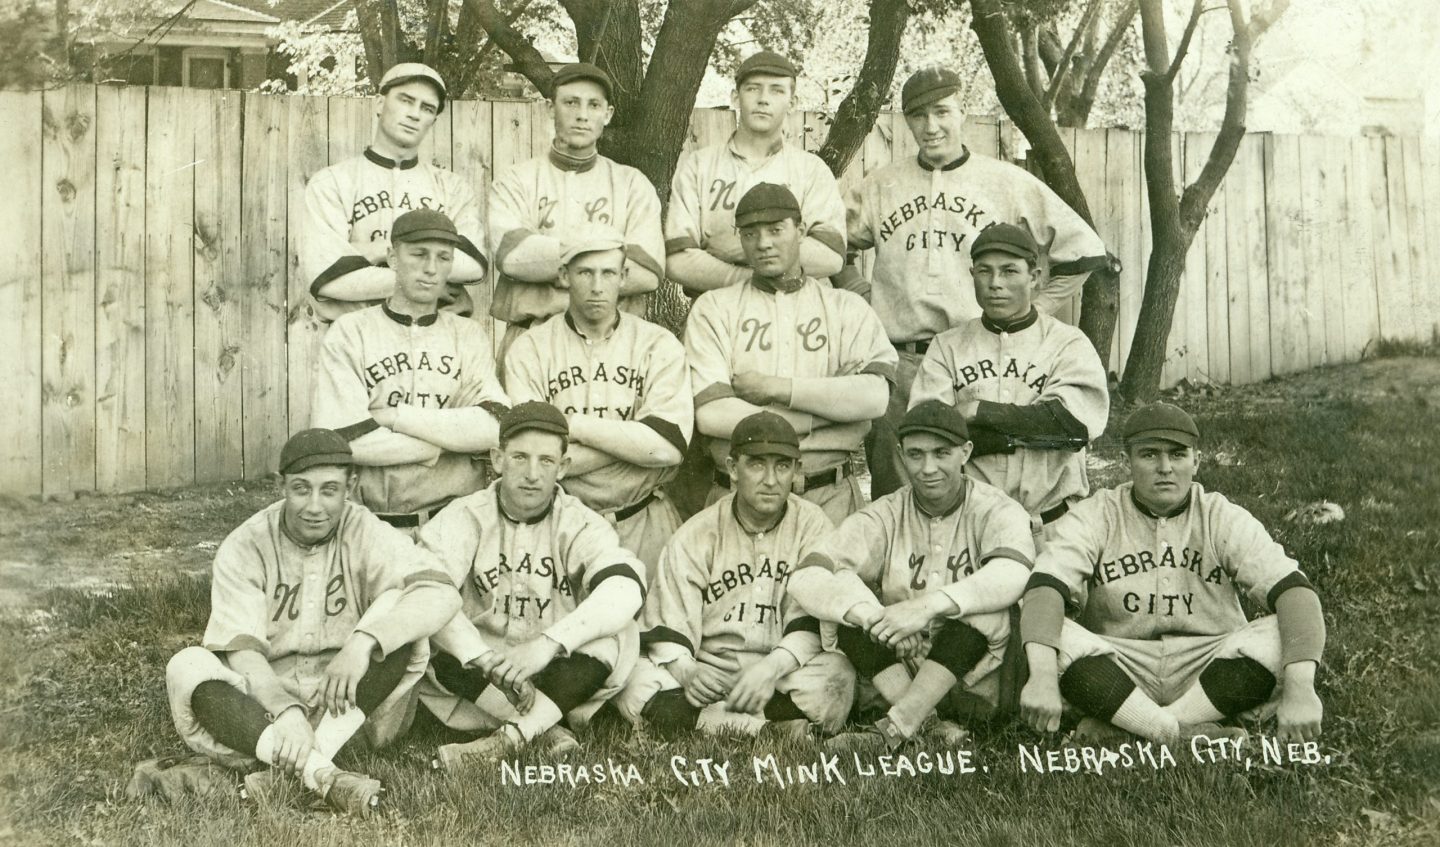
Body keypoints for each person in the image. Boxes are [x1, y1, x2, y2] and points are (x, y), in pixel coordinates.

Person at [840, 66, 1110, 499]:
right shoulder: (881, 184)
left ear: (963, 112)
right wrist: (858, 291)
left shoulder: (1004, 181)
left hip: (978, 357)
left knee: (975, 492)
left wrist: (1033, 313)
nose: (931, 126)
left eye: (942, 112)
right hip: (902, 359)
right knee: (897, 498)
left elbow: (1084, 251)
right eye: (918, 116)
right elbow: (830, 244)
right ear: (906, 121)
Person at [161, 429, 461, 815]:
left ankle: (295, 766)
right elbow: (243, 651)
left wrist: (361, 643)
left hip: (346, 704)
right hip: (265, 708)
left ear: (350, 486)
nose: (314, 505)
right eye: (301, 489)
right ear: (281, 485)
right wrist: (284, 711)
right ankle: (322, 771)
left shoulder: (365, 529)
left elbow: (442, 591)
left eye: (329, 490)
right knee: (187, 666)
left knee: (402, 627)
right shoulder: (247, 543)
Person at [1018, 403, 1326, 745]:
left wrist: (1301, 690)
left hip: (1209, 666)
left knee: (1279, 633)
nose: (1165, 468)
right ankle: (1183, 732)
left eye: (1177, 455)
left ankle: (1140, 728)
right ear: (1126, 462)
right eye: (1149, 455)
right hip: (1119, 664)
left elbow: (1295, 592)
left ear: (1196, 460)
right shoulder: (1097, 514)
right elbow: (1045, 586)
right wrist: (1043, 677)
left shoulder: (1220, 515)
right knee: (1042, 630)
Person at [788, 401, 1036, 749]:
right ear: (901, 454)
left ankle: (896, 726)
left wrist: (925, 609)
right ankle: (927, 724)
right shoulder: (888, 511)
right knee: (841, 599)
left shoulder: (995, 508)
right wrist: (875, 618)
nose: (928, 468)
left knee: (988, 607)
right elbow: (808, 573)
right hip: (900, 668)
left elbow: (1014, 572)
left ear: (965, 453)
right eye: (916, 455)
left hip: (975, 677)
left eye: (941, 453)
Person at [416, 401, 648, 766]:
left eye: (546, 461)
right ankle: (545, 728)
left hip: (556, 662)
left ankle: (509, 739)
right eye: (520, 457)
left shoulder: (580, 522)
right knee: (431, 630)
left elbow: (626, 586)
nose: (532, 474)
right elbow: (426, 592)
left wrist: (548, 644)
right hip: (485, 667)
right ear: (497, 459)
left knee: (614, 636)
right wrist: (485, 658)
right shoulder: (463, 516)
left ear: (563, 467)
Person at [614, 412, 853, 738]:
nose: (771, 479)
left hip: (781, 671)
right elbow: (669, 626)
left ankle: (708, 724)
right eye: (756, 464)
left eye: (782, 466)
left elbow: (814, 623)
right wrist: (688, 673)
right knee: (633, 680)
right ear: (732, 468)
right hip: (709, 671)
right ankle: (769, 729)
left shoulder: (814, 525)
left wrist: (771, 669)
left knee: (837, 676)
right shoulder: (697, 533)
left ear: (796, 471)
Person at [684, 182, 896, 526]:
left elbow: (874, 399)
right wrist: (829, 414)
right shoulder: (714, 307)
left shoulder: (845, 307)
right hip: (738, 500)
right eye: (751, 233)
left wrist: (776, 388)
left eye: (776, 230)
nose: (764, 243)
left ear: (799, 231)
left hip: (828, 493)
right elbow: (712, 415)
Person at [503, 225, 692, 569]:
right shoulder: (530, 347)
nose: (596, 286)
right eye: (585, 272)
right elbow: (535, 455)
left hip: (644, 521)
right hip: (561, 525)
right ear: (563, 276)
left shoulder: (658, 344)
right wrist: (632, 442)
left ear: (624, 277)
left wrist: (571, 426)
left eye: (608, 273)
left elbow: (667, 447)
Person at [310, 209, 509, 531]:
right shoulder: (349, 332)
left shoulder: (468, 335)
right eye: (419, 255)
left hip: (453, 524)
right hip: (370, 523)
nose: (431, 269)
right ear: (392, 257)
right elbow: (345, 440)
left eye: (443, 258)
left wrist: (394, 417)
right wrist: (445, 444)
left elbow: (494, 426)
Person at [909, 222, 1108, 537]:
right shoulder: (946, 346)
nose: (995, 284)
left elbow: (1070, 430)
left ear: (1035, 278)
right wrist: (1031, 429)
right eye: (984, 272)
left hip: (1054, 525)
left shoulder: (1068, 343)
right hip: (971, 526)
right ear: (972, 276)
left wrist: (977, 412)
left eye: (1009, 271)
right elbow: (931, 437)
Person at [488, 62, 665, 372]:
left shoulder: (631, 183)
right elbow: (513, 258)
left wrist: (549, 261)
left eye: (594, 105)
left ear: (607, 114)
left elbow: (647, 272)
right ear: (549, 108)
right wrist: (606, 260)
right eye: (571, 102)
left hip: (615, 343)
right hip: (532, 334)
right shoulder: (516, 179)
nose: (582, 115)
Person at [302, 62, 487, 321]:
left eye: (427, 108)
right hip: (355, 338)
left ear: (433, 120)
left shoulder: (452, 188)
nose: (415, 114)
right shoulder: (332, 182)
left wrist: (371, 251)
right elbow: (328, 277)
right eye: (406, 100)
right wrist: (428, 280)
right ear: (380, 104)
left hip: (437, 340)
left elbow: (471, 266)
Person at [665, 49, 846, 297]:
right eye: (752, 88)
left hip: (798, 311)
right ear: (735, 97)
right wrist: (751, 280)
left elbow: (830, 257)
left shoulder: (811, 170)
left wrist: (742, 248)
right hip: (718, 312)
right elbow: (677, 261)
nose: (763, 99)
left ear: (792, 103)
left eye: (776, 90)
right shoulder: (700, 166)